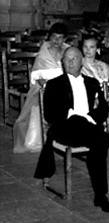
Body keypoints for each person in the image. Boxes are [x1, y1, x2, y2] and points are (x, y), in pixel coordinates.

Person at [34, 47, 109, 212]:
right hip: (65, 130)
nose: (70, 62)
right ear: (62, 62)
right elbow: (49, 114)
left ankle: (100, 195)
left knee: (97, 142)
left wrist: (90, 118)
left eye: (74, 58)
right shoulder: (54, 84)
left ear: (81, 61)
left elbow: (103, 108)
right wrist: (73, 115)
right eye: (66, 59)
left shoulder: (92, 83)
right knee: (80, 123)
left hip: (91, 132)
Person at [13, 22, 70, 153]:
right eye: (54, 37)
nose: (56, 41)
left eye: (60, 38)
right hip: (44, 89)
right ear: (50, 37)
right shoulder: (43, 55)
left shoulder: (68, 52)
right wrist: (52, 89)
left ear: (65, 39)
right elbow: (38, 77)